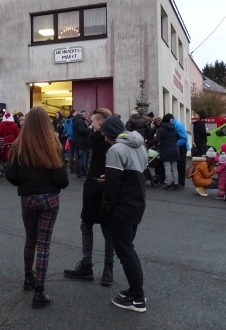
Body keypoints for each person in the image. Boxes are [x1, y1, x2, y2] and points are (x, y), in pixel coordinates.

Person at [5, 106, 69, 309]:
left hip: (28, 198)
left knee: (30, 239)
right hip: (49, 199)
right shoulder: (54, 145)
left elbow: (11, 174)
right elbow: (62, 180)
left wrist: (24, 185)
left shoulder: (19, 145)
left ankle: (28, 277)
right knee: (44, 244)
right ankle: (39, 292)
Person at [99, 115, 148, 312]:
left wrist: (104, 210)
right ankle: (135, 290)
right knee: (128, 248)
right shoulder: (139, 146)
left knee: (126, 251)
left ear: (109, 133)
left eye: (103, 134)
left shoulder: (115, 149)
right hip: (136, 203)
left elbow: (112, 186)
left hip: (121, 207)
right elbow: (135, 176)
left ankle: (138, 297)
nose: (103, 138)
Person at [64, 108, 115, 286]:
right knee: (88, 224)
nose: (90, 124)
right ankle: (88, 265)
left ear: (100, 123)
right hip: (92, 186)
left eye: (93, 121)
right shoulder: (97, 138)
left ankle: (107, 267)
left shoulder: (110, 141)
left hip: (104, 187)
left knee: (106, 229)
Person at [153, 114, 180, 191]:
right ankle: (176, 184)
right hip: (175, 149)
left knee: (167, 168)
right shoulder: (174, 128)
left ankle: (169, 184)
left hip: (165, 150)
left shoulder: (161, 129)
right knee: (174, 168)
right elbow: (178, 137)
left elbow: (157, 140)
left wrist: (150, 142)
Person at [164, 113, 189, 187]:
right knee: (176, 165)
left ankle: (181, 182)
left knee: (181, 165)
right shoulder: (173, 124)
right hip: (177, 146)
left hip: (181, 147)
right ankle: (177, 181)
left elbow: (184, 138)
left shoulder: (177, 125)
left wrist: (175, 145)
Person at [73, 109, 92, 179]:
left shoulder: (77, 120)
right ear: (84, 114)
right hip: (82, 143)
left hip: (79, 143)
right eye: (87, 114)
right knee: (82, 159)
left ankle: (81, 173)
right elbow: (82, 130)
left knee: (80, 158)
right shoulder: (80, 121)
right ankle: (80, 174)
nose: (88, 116)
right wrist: (90, 128)